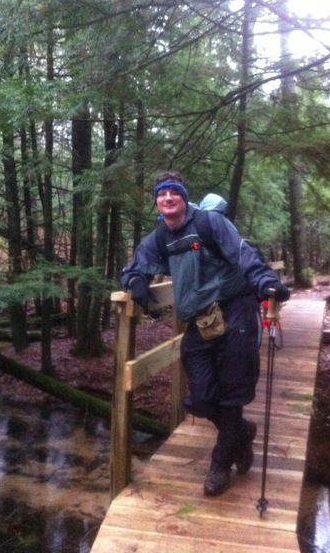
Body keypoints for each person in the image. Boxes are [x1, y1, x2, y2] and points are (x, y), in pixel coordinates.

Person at [121, 170, 290, 496]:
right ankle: (241, 432)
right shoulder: (161, 237)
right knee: (200, 397)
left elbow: (243, 253)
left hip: (236, 308)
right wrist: (136, 280)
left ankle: (219, 465)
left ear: (184, 198)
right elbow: (137, 263)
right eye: (162, 194)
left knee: (232, 391)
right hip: (201, 320)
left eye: (174, 193)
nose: (168, 198)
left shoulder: (210, 223)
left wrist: (265, 281)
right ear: (157, 201)